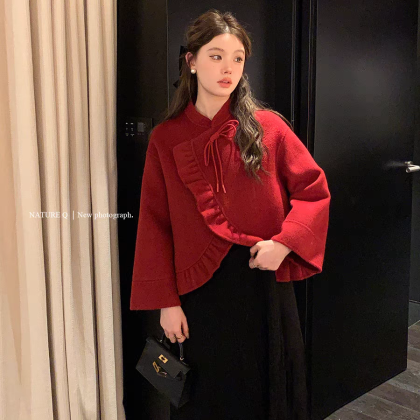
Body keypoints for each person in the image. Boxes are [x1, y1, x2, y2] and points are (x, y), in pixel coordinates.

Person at [130, 9, 331, 420]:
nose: (228, 68)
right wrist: (166, 303)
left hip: (264, 282)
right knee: (210, 398)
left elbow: (314, 190)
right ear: (191, 60)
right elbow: (155, 224)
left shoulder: (269, 128)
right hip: (199, 294)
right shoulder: (165, 138)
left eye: (238, 58)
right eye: (216, 56)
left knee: (269, 392)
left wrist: (285, 243)